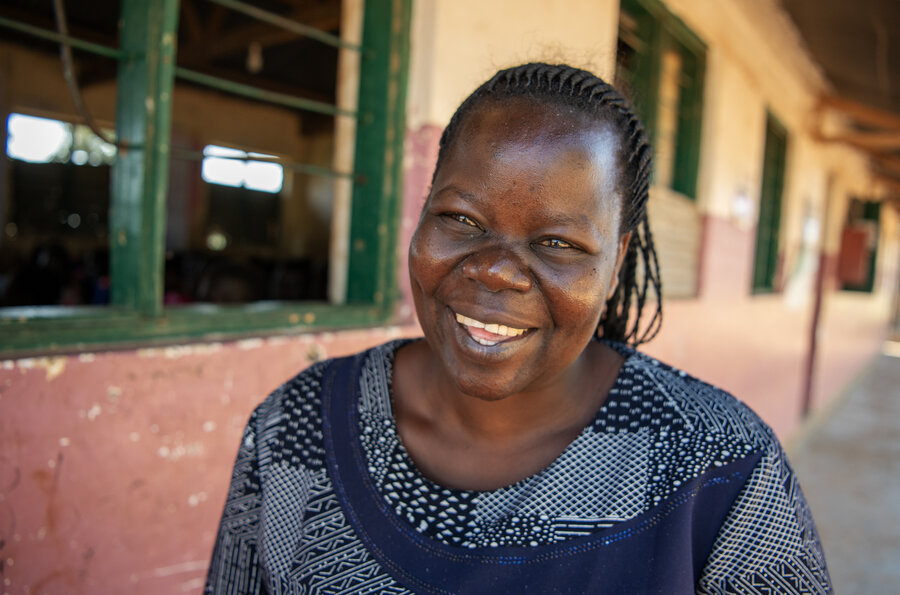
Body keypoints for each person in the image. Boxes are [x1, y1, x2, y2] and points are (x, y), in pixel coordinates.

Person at [205, 63, 831, 594]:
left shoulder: (720, 466)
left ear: (616, 265)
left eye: (557, 242)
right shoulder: (295, 429)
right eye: (461, 218)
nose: (498, 271)